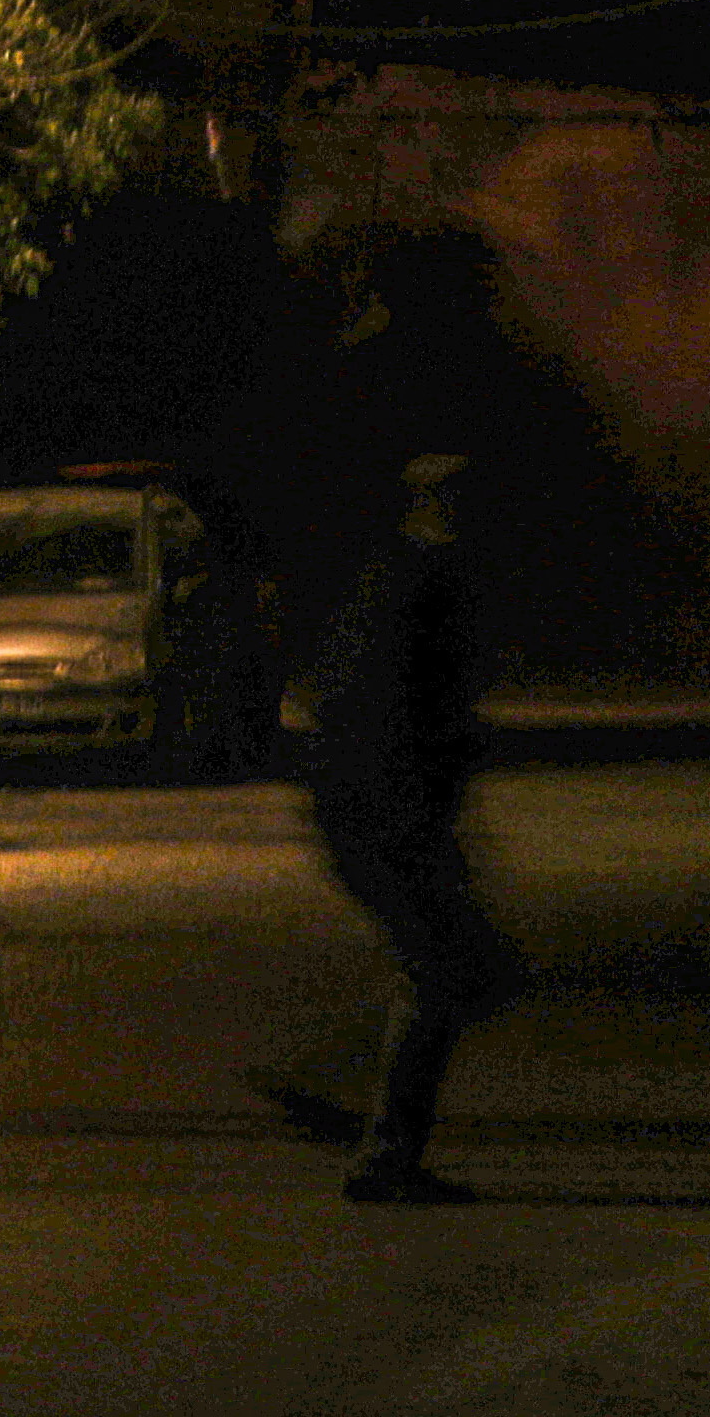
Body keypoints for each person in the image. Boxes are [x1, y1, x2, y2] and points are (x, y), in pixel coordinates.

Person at [255, 451, 521, 1203]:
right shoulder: (419, 586)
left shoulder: (400, 579)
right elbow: (398, 713)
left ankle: (355, 1110)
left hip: (371, 802)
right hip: (376, 803)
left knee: (464, 969)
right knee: (447, 970)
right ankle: (380, 1148)